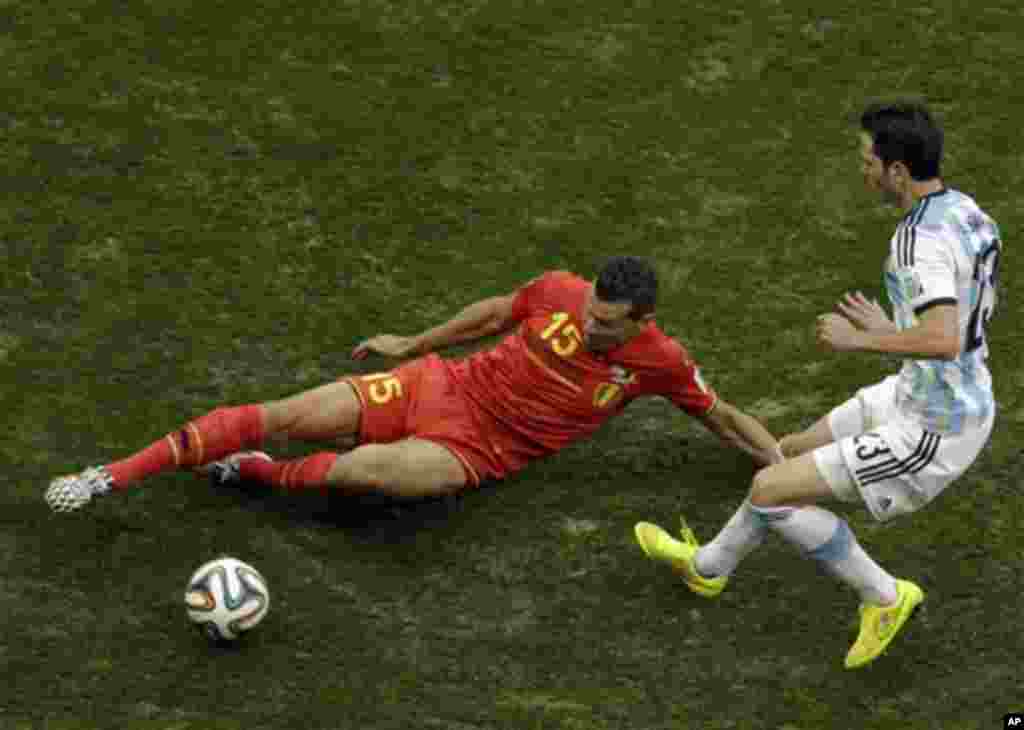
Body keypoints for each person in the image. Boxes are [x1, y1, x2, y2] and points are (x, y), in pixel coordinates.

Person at [634, 100, 1001, 668]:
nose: (863, 170)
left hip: (934, 428)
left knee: (771, 492)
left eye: (867, 160)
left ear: (896, 171)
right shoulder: (969, 213)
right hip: (924, 390)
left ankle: (884, 597)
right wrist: (896, 327)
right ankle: (707, 568)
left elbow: (945, 337)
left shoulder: (915, 244)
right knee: (790, 452)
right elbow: (959, 316)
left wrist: (862, 341)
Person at [46, 256, 782, 514]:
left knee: (365, 474)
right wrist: (415, 343)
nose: (591, 326)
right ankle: (110, 476)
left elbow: (719, 416)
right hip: (443, 386)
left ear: (643, 321)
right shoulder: (561, 290)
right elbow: (497, 311)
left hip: (484, 448)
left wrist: (786, 466)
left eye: (609, 323)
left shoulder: (659, 359)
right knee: (292, 411)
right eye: (590, 310)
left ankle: (259, 475)